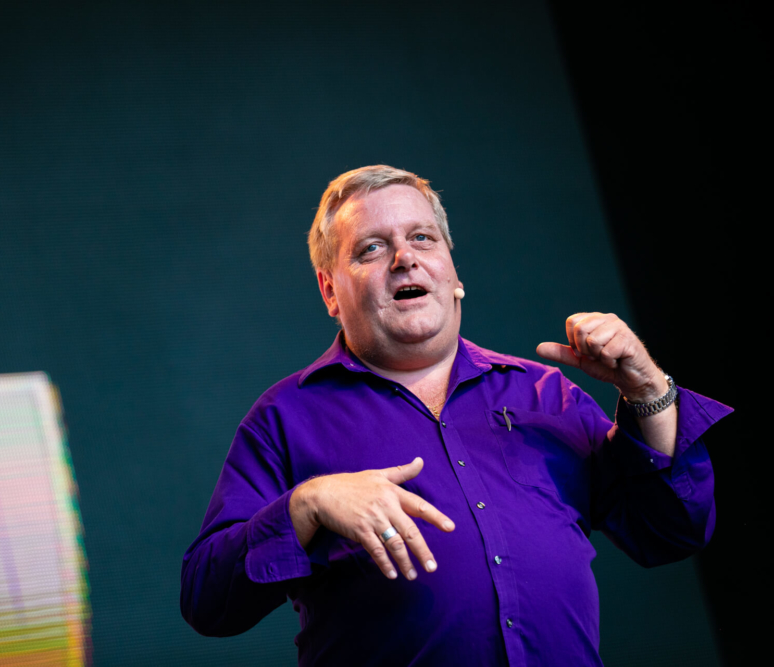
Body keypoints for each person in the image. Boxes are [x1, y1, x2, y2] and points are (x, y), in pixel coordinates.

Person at [180, 165, 730, 666]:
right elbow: (207, 600)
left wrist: (647, 388)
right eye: (372, 248)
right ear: (330, 291)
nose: (405, 258)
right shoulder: (285, 418)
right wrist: (308, 505)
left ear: (452, 271)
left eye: (422, 237)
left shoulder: (544, 392)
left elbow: (671, 531)